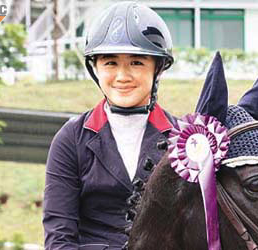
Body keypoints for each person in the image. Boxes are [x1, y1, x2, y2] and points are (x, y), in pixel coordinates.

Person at [43, 2, 176, 249]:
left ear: (158, 68)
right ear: (95, 68)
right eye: (110, 63)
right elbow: (59, 238)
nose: (122, 76)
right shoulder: (71, 139)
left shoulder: (184, 140)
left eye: (137, 62)